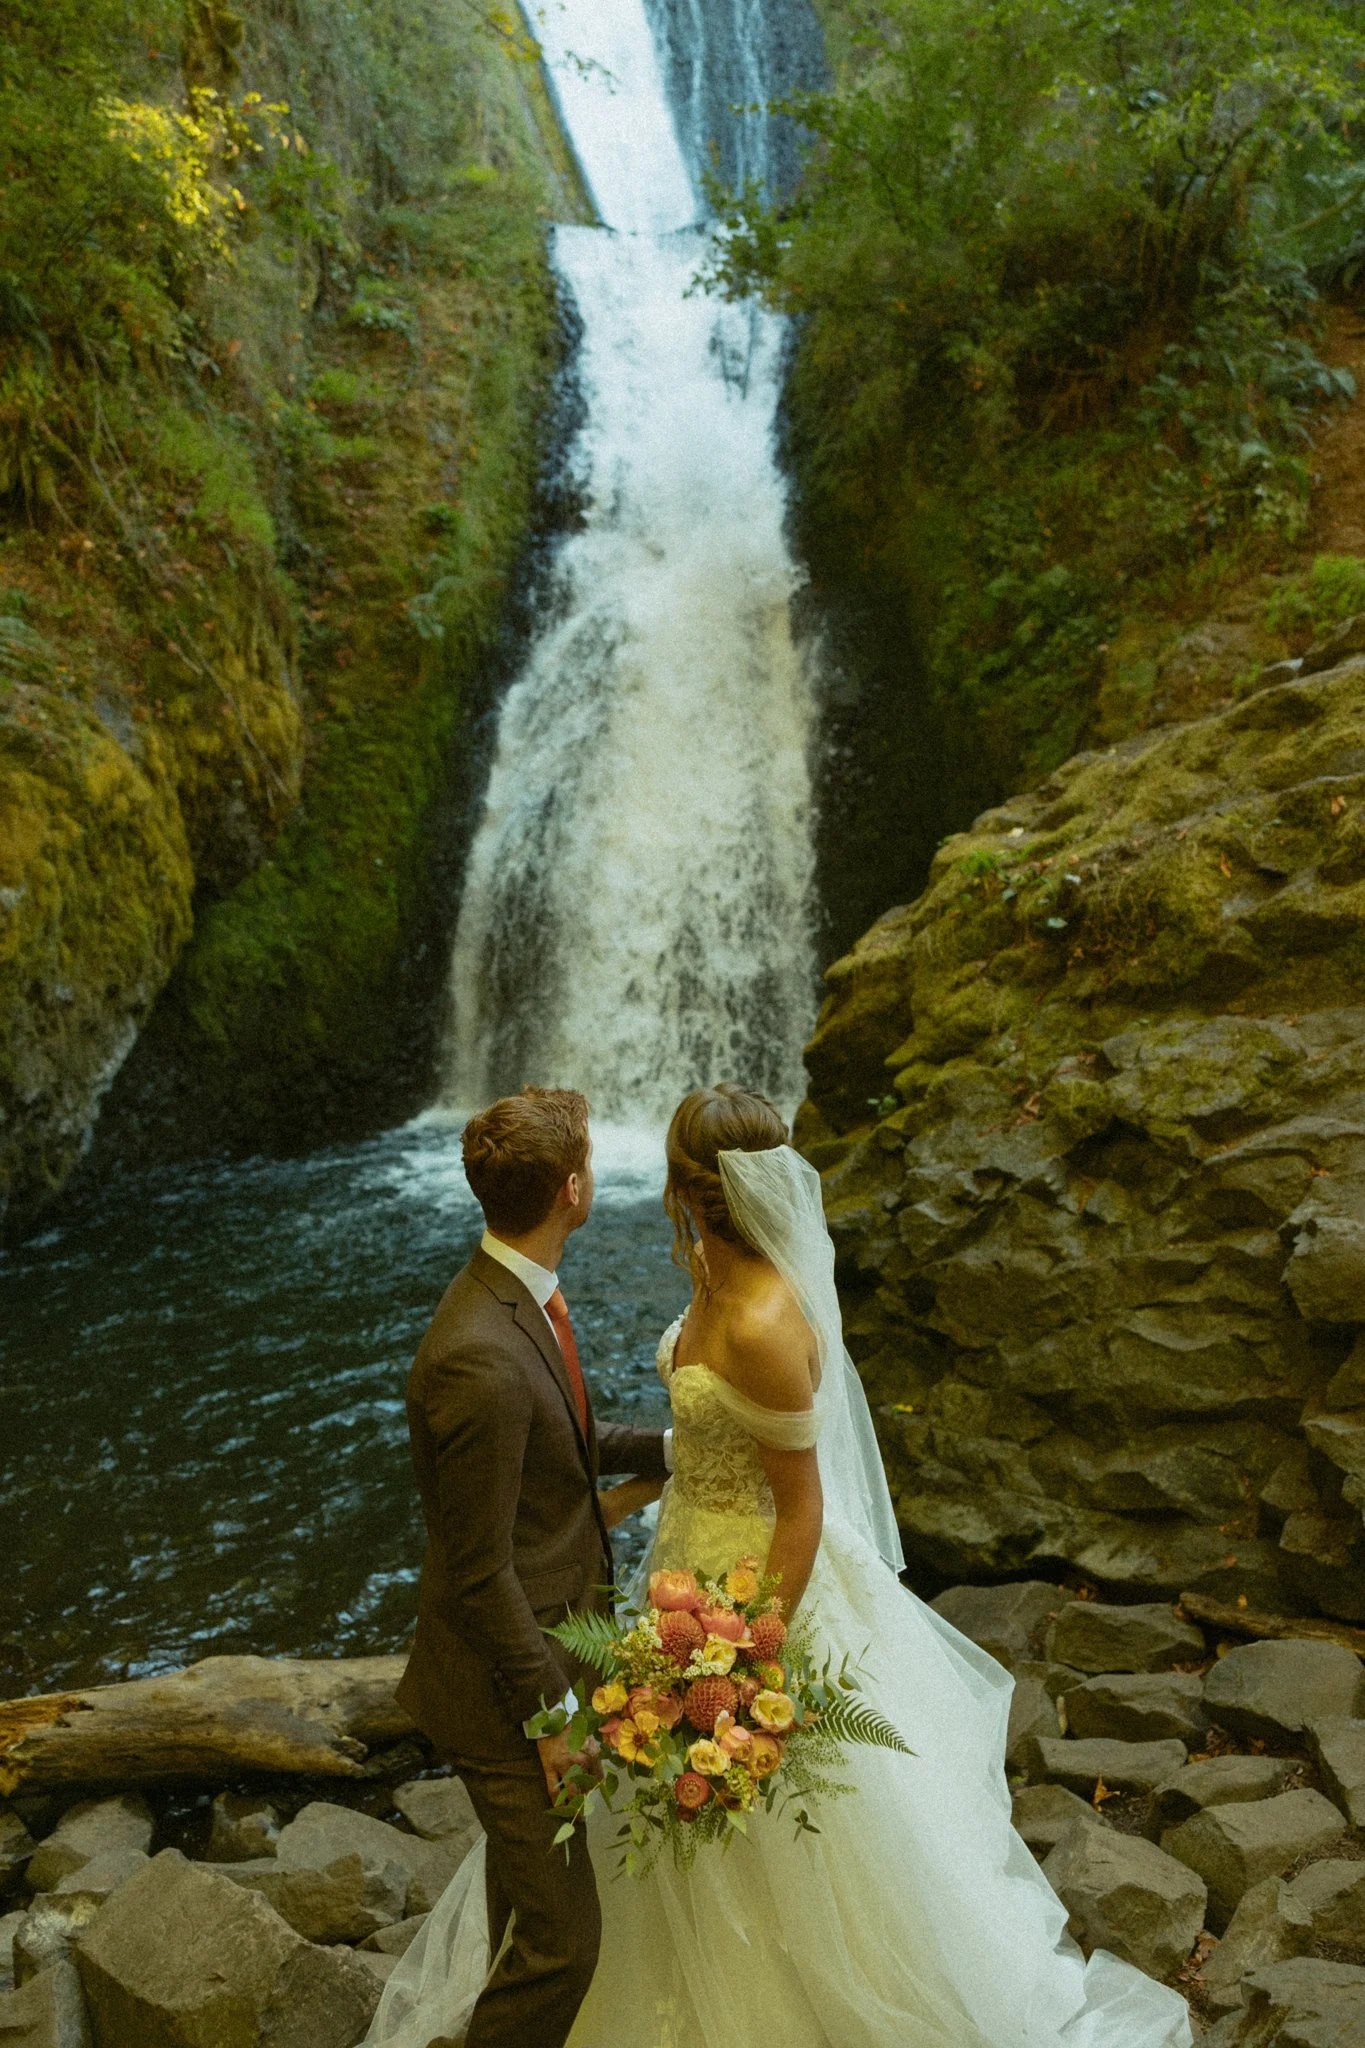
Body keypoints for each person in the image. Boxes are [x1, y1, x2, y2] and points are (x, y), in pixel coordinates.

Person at [373, 1086, 1194, 2048]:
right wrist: (661, 1477)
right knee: (648, 1839)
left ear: (682, 1187)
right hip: (675, 1579)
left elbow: (797, 1505)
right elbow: (675, 1440)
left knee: (790, 1844)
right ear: (577, 1189)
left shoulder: (761, 1317)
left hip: (757, 1597)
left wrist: (749, 1652)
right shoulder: (697, 1271)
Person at [391, 1086, 670, 2048]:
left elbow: (563, 1444)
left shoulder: (517, 1296)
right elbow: (476, 1574)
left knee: (524, 1915)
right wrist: (551, 1719)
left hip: (540, 1665)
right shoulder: (480, 1355)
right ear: (573, 1188)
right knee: (565, 1946)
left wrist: (677, 1449)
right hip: (502, 1698)